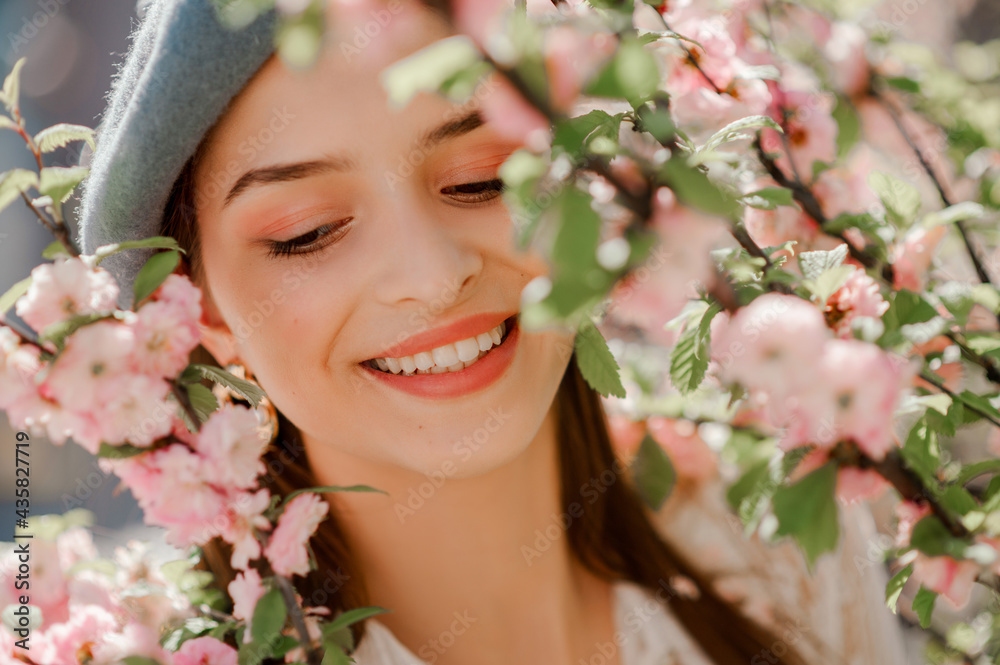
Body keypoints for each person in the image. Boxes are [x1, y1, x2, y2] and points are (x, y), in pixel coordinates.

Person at [78, 1, 909, 663]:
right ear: (199, 308)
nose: (434, 275)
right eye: (309, 231)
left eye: (482, 179)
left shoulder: (776, 541)